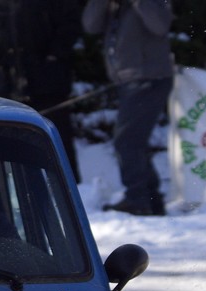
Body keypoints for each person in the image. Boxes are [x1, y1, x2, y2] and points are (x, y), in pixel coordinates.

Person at [0, 0, 82, 181]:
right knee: (14, 141)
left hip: (48, 81)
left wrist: (55, 56)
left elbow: (70, 25)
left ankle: (69, 187)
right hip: (7, 84)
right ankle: (21, 186)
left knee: (56, 136)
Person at [83, 0, 174, 216]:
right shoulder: (115, 6)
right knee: (133, 142)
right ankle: (151, 200)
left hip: (149, 78)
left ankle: (138, 199)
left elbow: (161, 25)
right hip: (128, 80)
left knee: (126, 141)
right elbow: (90, 25)